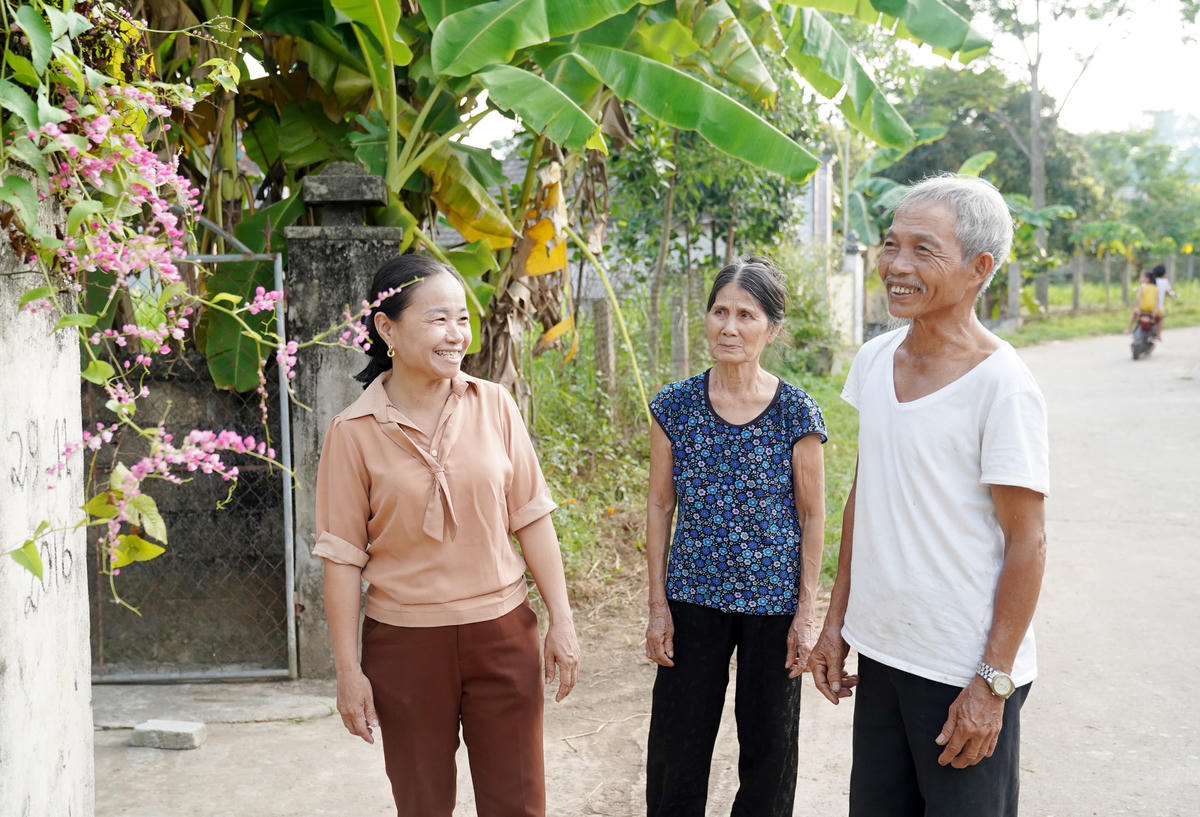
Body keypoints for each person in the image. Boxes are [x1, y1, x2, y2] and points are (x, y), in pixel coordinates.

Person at [809, 174, 1049, 817]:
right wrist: (836, 625)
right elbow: (868, 494)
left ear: (979, 268)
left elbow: (1028, 539)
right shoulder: (875, 359)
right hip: (885, 654)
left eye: (923, 250)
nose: (896, 266)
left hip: (960, 672)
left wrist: (992, 684)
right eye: (891, 245)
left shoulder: (1003, 386)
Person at [314, 254, 580, 817]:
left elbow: (532, 516)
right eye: (438, 319)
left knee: (519, 803)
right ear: (387, 328)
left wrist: (563, 620)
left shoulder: (495, 405)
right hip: (404, 647)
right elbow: (340, 558)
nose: (456, 334)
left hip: (503, 635)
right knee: (422, 805)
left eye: (462, 319)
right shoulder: (352, 432)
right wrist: (347, 671)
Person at [644, 256, 828, 817]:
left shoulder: (796, 412)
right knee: (679, 742)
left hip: (772, 603)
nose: (729, 326)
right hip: (692, 597)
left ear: (772, 329)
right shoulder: (674, 406)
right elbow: (658, 505)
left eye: (746, 315)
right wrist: (657, 606)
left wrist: (806, 612)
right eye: (719, 311)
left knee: (770, 748)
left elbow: (813, 514)